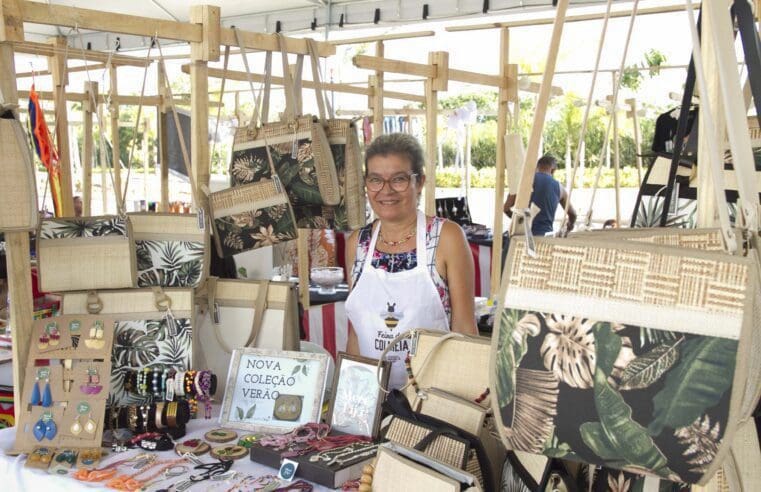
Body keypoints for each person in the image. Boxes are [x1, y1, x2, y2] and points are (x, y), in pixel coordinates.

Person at [345, 133, 477, 390]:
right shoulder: (357, 244)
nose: (386, 191)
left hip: (430, 399)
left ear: (420, 182)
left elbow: (464, 327)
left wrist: (458, 402)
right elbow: (356, 332)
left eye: (399, 179)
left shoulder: (446, 238)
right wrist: (352, 399)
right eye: (375, 180)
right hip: (371, 398)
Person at [503, 154, 577, 236]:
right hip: (544, 237)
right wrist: (570, 225)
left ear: (537, 167)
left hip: (520, 236)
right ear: (553, 170)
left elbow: (506, 208)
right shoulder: (560, 188)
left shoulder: (522, 182)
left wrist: (520, 221)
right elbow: (572, 214)